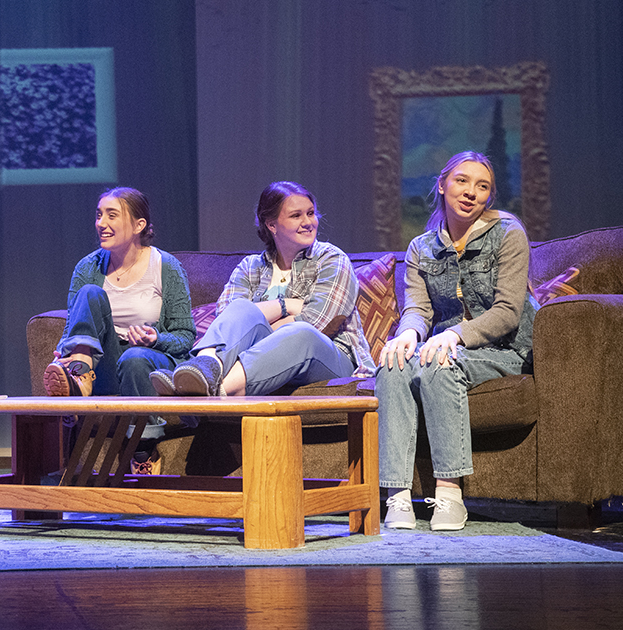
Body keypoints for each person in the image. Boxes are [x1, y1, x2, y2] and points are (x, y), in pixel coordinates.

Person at [377, 151, 537, 532]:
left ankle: (449, 495)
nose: (471, 192)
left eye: (482, 186)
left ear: (489, 198)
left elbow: (508, 311)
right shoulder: (420, 247)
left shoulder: (508, 233)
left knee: (437, 363)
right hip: (447, 346)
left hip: (504, 350)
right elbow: (418, 309)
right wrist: (407, 335)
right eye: (462, 181)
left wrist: (453, 334)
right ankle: (397, 495)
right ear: (443, 185)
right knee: (393, 363)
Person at [152, 181, 375, 400]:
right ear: (271, 225)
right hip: (262, 357)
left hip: (331, 357)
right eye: (296, 216)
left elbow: (318, 323)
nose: (308, 222)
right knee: (241, 308)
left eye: (311, 213)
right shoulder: (250, 267)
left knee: (300, 333)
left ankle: (208, 394)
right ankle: (205, 366)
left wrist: (256, 324)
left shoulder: (331, 259)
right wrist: (284, 305)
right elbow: (228, 318)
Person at [42, 187, 195, 460]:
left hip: (151, 362)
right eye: (99, 215)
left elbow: (185, 337)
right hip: (105, 365)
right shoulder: (88, 267)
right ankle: (80, 373)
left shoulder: (166, 267)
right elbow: (75, 324)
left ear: (139, 225)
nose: (101, 223)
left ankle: (144, 452)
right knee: (90, 293)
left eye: (112, 215)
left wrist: (154, 339)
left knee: (135, 358)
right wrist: (64, 351)